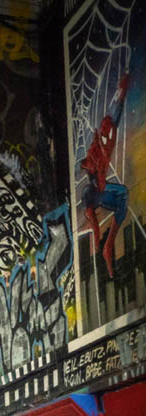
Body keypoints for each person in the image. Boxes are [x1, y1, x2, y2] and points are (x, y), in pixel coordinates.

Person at [81, 72, 129, 278]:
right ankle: (102, 248)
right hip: (94, 192)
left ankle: (107, 248)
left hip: (99, 191)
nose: (104, 126)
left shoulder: (103, 146)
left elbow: (113, 121)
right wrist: (121, 91)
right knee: (95, 229)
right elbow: (113, 116)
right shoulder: (99, 146)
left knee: (123, 195)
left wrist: (122, 91)